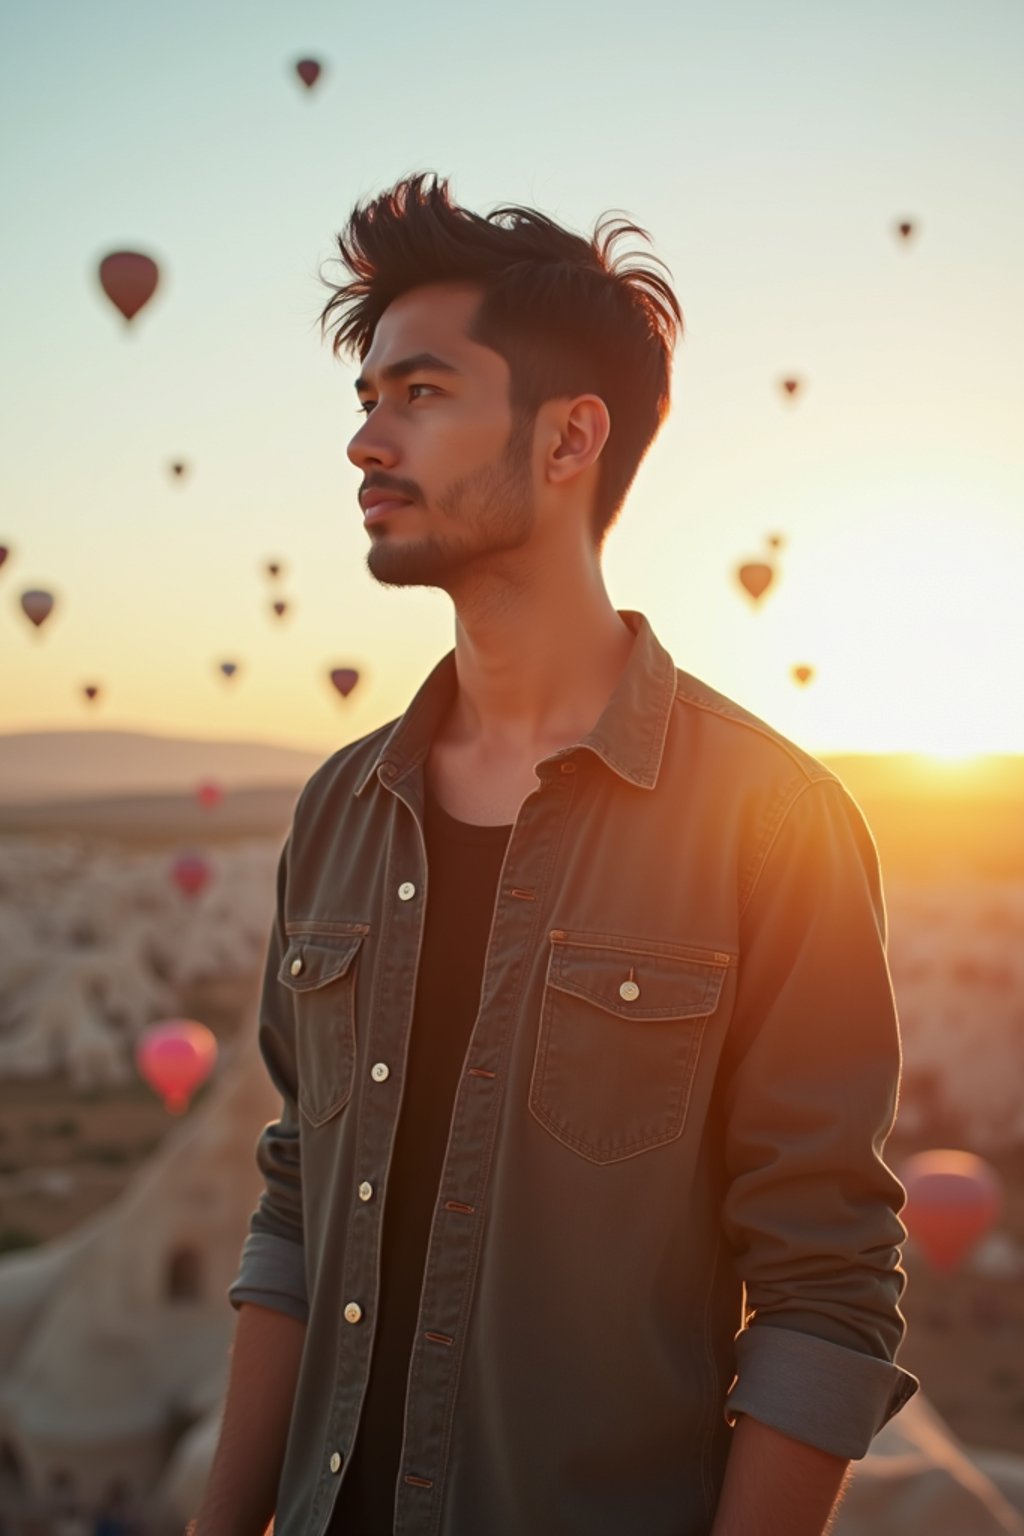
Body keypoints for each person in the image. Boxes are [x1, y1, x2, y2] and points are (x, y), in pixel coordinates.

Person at [193, 172, 918, 1536]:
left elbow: (827, 1281)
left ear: (571, 435)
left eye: (420, 393)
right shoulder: (343, 811)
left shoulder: (770, 819)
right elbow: (296, 1203)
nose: (364, 440)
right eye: (364, 400)